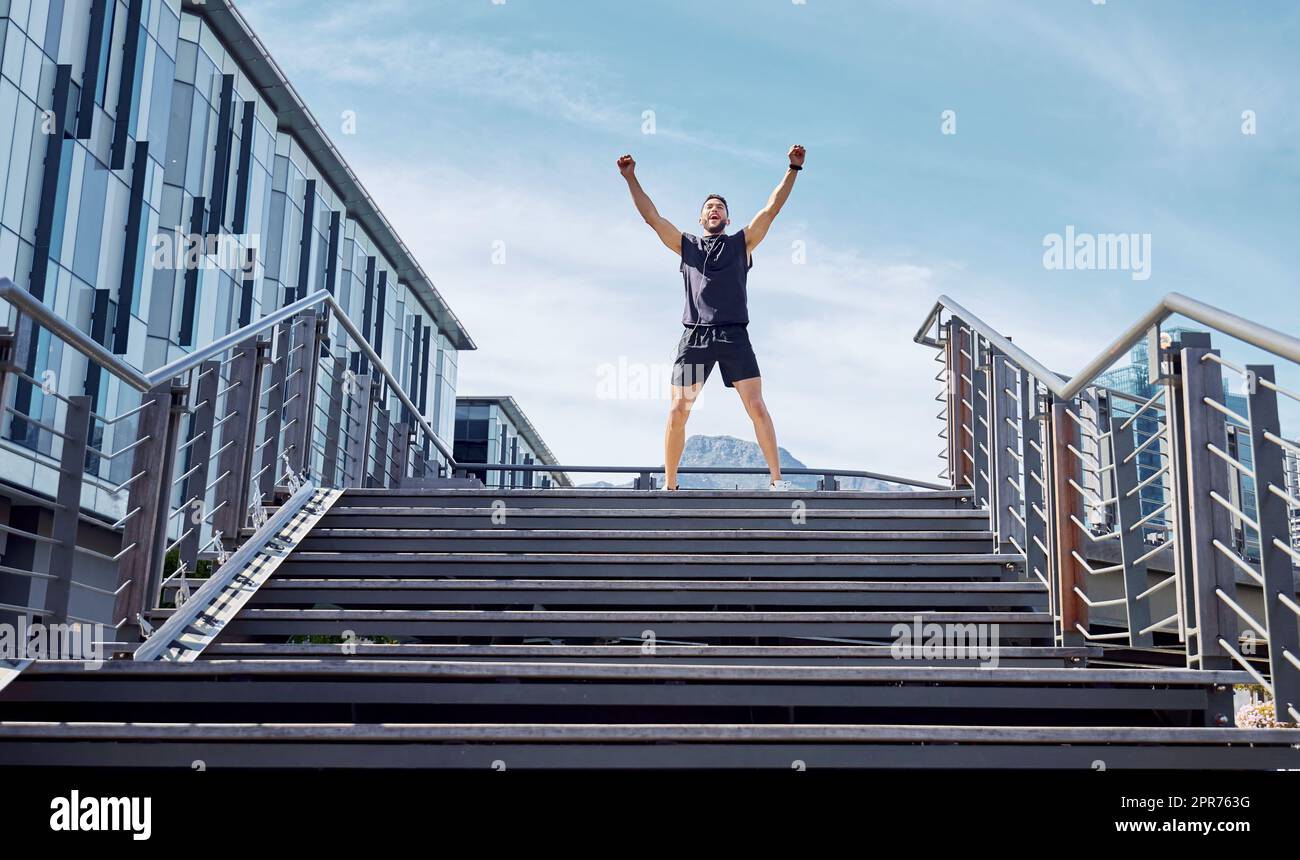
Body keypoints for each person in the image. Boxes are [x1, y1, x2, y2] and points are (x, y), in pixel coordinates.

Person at [617, 145, 806, 491]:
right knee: (677, 410)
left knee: (757, 406)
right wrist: (631, 178)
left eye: (720, 207)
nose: (714, 210)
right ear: (701, 219)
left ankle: (778, 481)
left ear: (728, 219)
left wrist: (793, 169)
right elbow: (652, 218)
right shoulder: (686, 245)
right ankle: (670, 486)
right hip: (696, 337)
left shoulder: (742, 242)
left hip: (734, 335)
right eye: (709, 208)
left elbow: (772, 208)